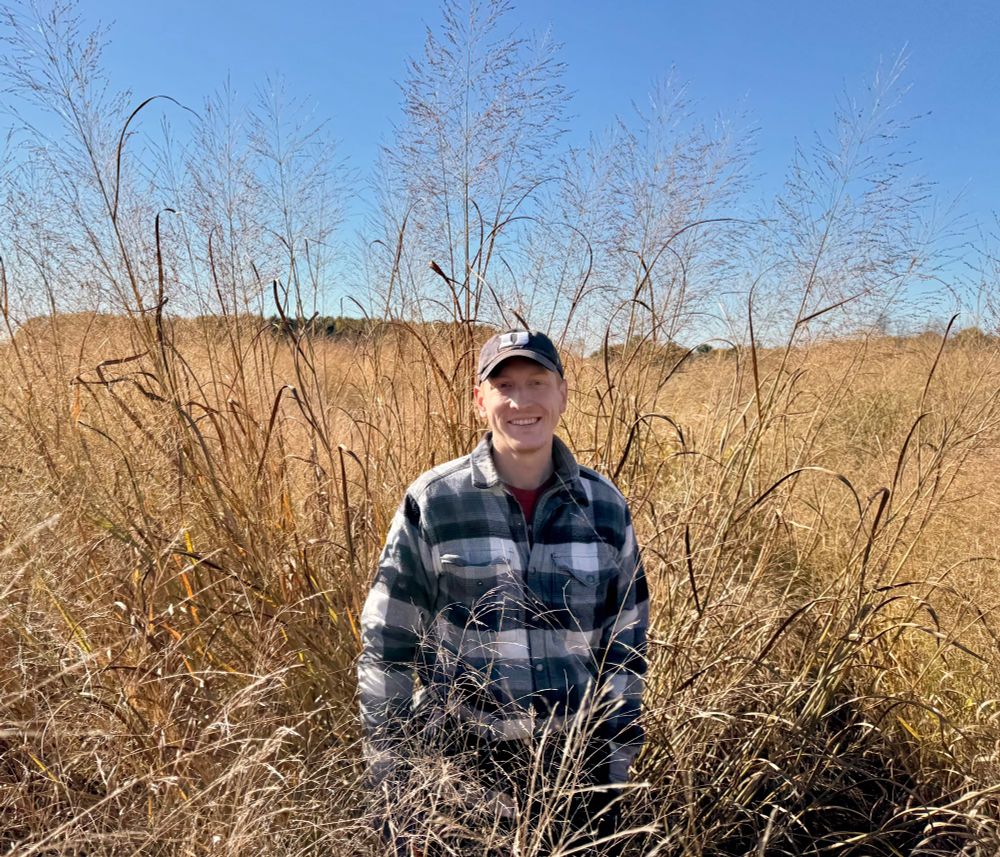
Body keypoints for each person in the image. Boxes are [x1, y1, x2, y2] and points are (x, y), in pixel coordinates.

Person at [358, 329, 648, 853]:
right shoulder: (436, 501)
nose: (521, 401)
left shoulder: (604, 507)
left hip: (575, 772)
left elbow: (624, 649)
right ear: (479, 400)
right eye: (504, 385)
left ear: (562, 393)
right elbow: (388, 646)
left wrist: (615, 773)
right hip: (462, 768)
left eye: (537, 382)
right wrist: (393, 782)